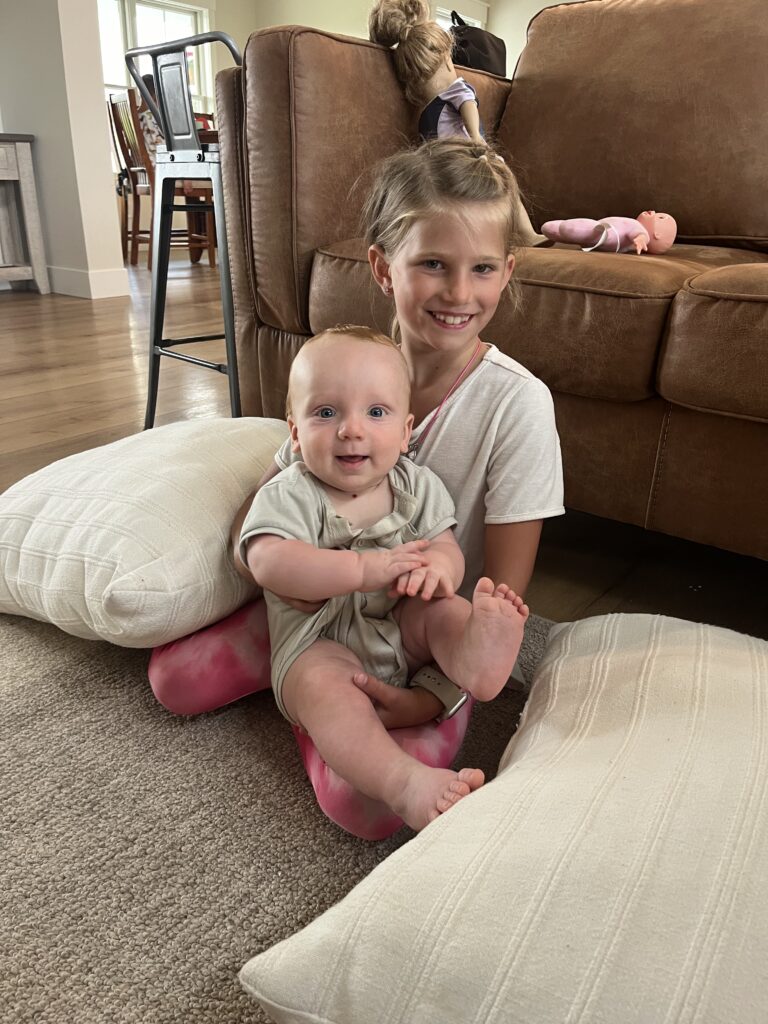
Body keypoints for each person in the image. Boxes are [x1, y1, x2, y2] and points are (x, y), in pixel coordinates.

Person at [149, 137, 565, 838]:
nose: (459, 292)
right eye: (432, 263)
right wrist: (302, 582)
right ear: (382, 267)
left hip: (422, 628)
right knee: (174, 682)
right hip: (316, 608)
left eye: (482, 269)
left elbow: (501, 595)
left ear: (507, 272)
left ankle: (353, 723)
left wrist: (434, 693)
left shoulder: (516, 405)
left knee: (364, 807)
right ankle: (311, 693)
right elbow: (271, 519)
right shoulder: (338, 376)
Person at [242, 324, 529, 833]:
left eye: (376, 413)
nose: (351, 430)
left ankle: (475, 657)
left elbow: (444, 547)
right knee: (324, 688)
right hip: (319, 640)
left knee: (445, 609)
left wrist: (441, 570)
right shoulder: (292, 492)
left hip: (399, 619)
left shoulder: (417, 486)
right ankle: (404, 783)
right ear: (294, 432)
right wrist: (361, 569)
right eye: (326, 412)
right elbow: (267, 561)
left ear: (405, 431)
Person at [368, 0, 544, 245]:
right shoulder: (432, 106)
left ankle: (526, 234)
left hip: (469, 158)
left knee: (503, 181)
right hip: (445, 167)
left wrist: (476, 138)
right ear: (448, 60)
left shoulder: (455, 89)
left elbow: (468, 103)